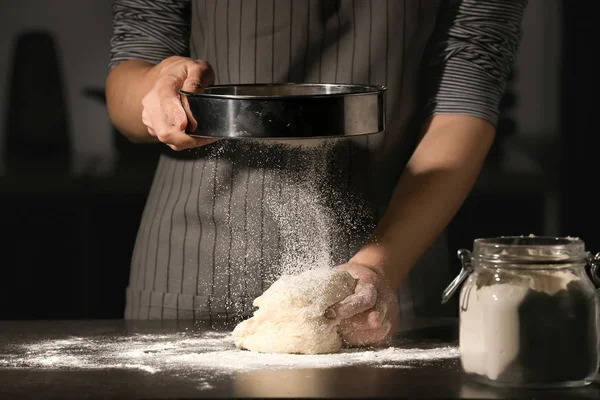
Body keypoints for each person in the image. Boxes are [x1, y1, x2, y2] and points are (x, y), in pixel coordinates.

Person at [106, 0, 528, 346]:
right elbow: (131, 70)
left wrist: (380, 268)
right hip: (188, 270)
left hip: (383, 283)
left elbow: (469, 90)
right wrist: (156, 85)